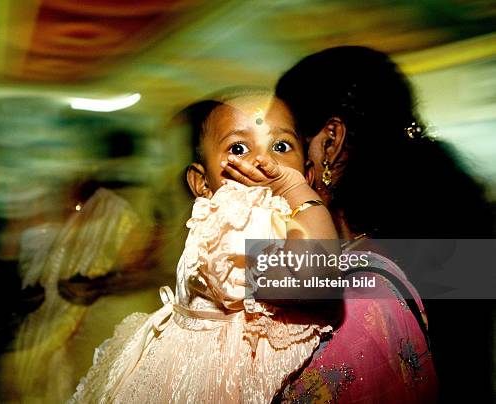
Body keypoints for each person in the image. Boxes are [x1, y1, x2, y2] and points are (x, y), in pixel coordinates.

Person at [69, 89, 341, 403]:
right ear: (202, 183)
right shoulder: (234, 218)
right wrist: (298, 190)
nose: (264, 160)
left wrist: (296, 193)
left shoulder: (283, 214)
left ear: (307, 170)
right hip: (212, 374)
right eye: (239, 147)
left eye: (280, 146)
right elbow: (315, 278)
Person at [272, 46, 493, 402]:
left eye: (282, 144)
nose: (266, 165)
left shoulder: (353, 277)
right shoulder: (439, 228)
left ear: (329, 142)